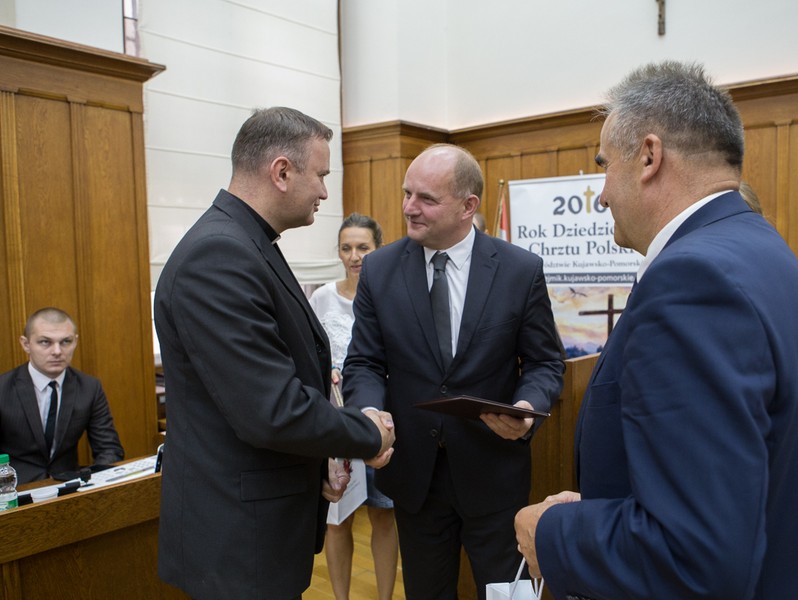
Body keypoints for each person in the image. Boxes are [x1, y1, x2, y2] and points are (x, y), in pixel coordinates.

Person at [514, 61, 798, 599]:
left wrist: (553, 533)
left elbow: (696, 554)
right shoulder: (763, 251)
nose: (601, 195)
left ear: (648, 156)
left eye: (604, 165)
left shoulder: (691, 281)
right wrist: (609, 510)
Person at [153, 107, 396, 600]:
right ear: (282, 171)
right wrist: (365, 433)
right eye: (321, 176)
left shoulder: (248, 241)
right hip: (237, 539)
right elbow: (271, 409)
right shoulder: (219, 255)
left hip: (259, 526)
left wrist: (320, 457)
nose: (326, 193)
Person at [342, 143, 565, 600]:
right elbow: (364, 361)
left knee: (507, 594)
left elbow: (544, 362)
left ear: (469, 206)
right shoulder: (380, 270)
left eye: (426, 198)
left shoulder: (519, 270)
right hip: (414, 478)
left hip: (494, 472)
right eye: (407, 194)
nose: (409, 207)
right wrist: (367, 411)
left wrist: (526, 407)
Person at [309, 213, 399, 600]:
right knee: (337, 518)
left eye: (363, 247)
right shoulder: (322, 297)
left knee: (384, 513)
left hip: (382, 418)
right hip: (336, 421)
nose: (354, 256)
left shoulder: (392, 295)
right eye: (346, 247)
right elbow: (308, 355)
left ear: (378, 248)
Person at [0, 307, 124, 484]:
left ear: (75, 341)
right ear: (26, 344)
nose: (57, 351)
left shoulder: (89, 387)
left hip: (70, 488)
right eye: (45, 342)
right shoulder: (3, 389)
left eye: (66, 341)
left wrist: (95, 484)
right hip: (15, 493)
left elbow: (109, 449)